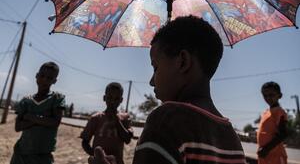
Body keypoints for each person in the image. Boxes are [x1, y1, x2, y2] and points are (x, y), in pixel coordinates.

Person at [89, 15, 246, 164]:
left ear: (183, 62)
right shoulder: (232, 138)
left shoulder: (165, 121)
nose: (151, 81)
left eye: (155, 67)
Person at [10, 62, 65, 164]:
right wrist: (43, 119)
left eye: (49, 78)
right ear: (36, 75)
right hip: (21, 154)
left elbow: (55, 122)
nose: (44, 80)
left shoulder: (57, 98)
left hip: (43, 155)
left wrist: (29, 116)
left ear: (54, 81)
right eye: (42, 75)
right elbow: (18, 127)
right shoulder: (26, 101)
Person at [81, 82, 133, 164]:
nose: (112, 101)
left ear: (121, 100)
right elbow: (85, 141)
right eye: (109, 97)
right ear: (104, 98)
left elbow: (127, 139)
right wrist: (97, 155)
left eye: (116, 99)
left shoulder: (125, 118)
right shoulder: (96, 118)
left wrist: (117, 120)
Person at [257, 81, 288, 164]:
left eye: (271, 95)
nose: (268, 98)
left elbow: (283, 134)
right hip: (265, 156)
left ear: (279, 95)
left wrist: (266, 149)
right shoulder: (266, 112)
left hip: (275, 156)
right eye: (265, 95)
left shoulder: (279, 112)